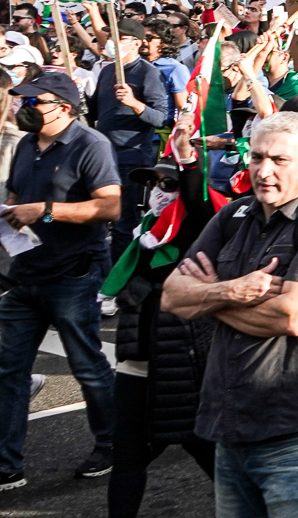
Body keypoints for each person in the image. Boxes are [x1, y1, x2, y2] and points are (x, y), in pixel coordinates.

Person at [160, 112, 298, 518]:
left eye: (278, 160)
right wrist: (232, 290)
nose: (263, 171)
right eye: (256, 158)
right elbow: (171, 296)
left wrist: (207, 297)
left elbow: (291, 316)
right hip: (230, 418)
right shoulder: (233, 216)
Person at [0, 70, 122, 488]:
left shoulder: (92, 145)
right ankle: (6, 464)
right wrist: (12, 215)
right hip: (26, 275)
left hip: (73, 275)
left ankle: (112, 445)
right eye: (23, 101)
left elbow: (109, 208)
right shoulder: (26, 147)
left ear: (64, 108)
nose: (24, 108)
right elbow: (16, 198)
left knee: (88, 367)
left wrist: (45, 211)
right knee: (8, 369)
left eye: (35, 102)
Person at [106, 142, 222, 517]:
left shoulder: (198, 229)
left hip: (181, 365)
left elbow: (197, 198)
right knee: (126, 457)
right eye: (155, 183)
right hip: (136, 361)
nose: (159, 191)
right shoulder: (145, 235)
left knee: (211, 454)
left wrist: (188, 163)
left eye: (168, 184)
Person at [87, 18, 172, 261]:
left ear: (136, 43)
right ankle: (97, 270)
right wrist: (80, 95)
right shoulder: (106, 71)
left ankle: (119, 279)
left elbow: (160, 118)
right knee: (96, 215)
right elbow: (93, 114)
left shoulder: (148, 73)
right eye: (111, 37)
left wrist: (134, 104)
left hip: (130, 157)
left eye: (120, 38)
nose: (113, 43)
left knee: (124, 221)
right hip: (101, 155)